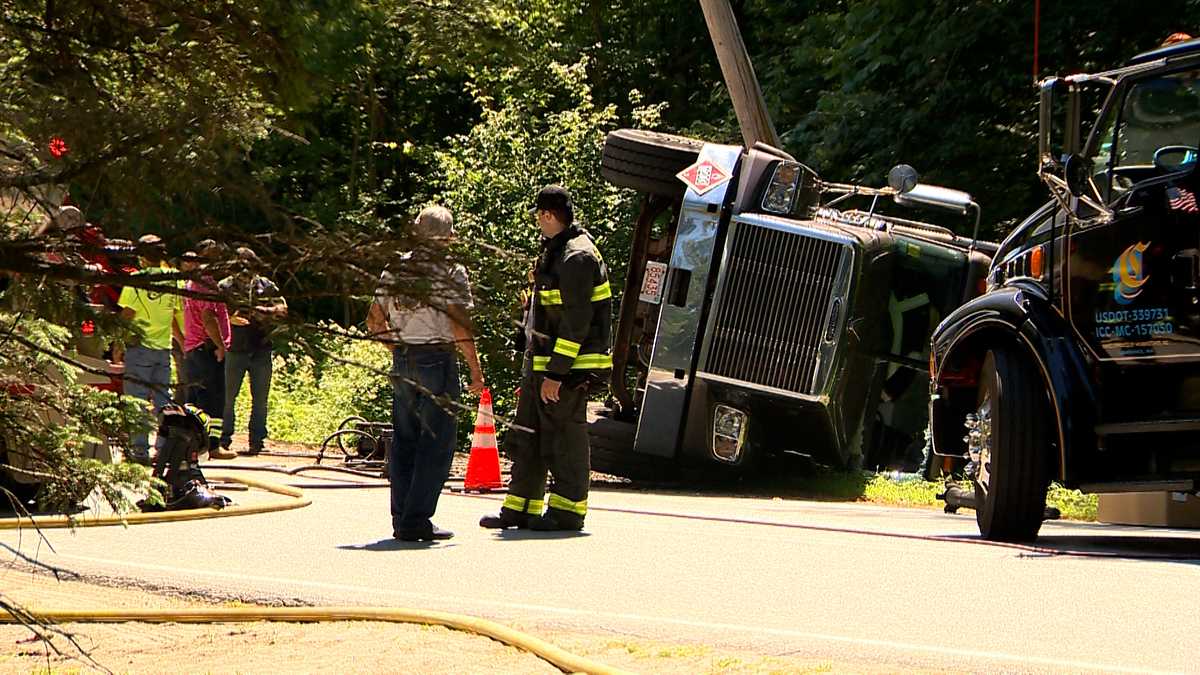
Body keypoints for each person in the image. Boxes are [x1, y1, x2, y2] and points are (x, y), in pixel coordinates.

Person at [480, 185, 612, 532]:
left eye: (539, 216)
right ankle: (520, 508)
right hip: (542, 366)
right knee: (531, 436)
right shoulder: (557, 252)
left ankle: (567, 512)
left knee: (565, 440)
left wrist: (557, 373)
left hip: (566, 371)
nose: (537, 223)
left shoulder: (577, 257)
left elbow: (575, 324)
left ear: (547, 215)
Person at [368, 205, 484, 542]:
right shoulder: (450, 272)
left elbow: (374, 320)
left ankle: (401, 517)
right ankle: (417, 520)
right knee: (437, 444)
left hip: (404, 358)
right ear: (448, 237)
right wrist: (476, 371)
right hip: (438, 359)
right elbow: (459, 323)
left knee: (404, 441)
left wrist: (399, 351)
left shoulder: (394, 270)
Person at [117, 235, 185, 465]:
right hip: (163, 350)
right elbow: (175, 314)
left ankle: (139, 451)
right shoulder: (174, 280)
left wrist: (117, 343)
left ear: (142, 257)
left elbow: (127, 315)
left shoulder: (136, 280)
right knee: (163, 404)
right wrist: (182, 342)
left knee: (136, 401)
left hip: (139, 349)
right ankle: (163, 450)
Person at [218, 247, 287, 456]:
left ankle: (257, 441)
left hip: (261, 348)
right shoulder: (224, 286)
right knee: (228, 398)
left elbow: (283, 308)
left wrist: (263, 312)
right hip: (235, 348)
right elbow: (213, 313)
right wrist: (230, 319)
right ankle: (223, 439)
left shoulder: (266, 286)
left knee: (260, 399)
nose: (245, 270)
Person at [182, 242, 235, 460]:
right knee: (213, 399)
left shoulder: (189, 284)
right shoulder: (206, 286)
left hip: (193, 348)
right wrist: (220, 346)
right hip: (207, 349)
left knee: (193, 400)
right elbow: (208, 318)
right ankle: (212, 445)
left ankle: (192, 444)